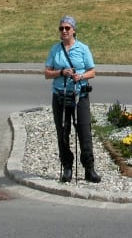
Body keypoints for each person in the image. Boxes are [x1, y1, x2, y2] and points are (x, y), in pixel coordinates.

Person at [43, 15, 100, 183]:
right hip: (60, 95)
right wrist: (61, 72)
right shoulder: (55, 50)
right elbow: (47, 73)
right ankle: (67, 167)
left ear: (74, 30)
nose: (64, 31)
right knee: (63, 131)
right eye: (61, 28)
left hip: (79, 95)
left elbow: (92, 72)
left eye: (67, 28)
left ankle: (89, 168)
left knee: (84, 131)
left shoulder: (83, 48)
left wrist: (80, 76)